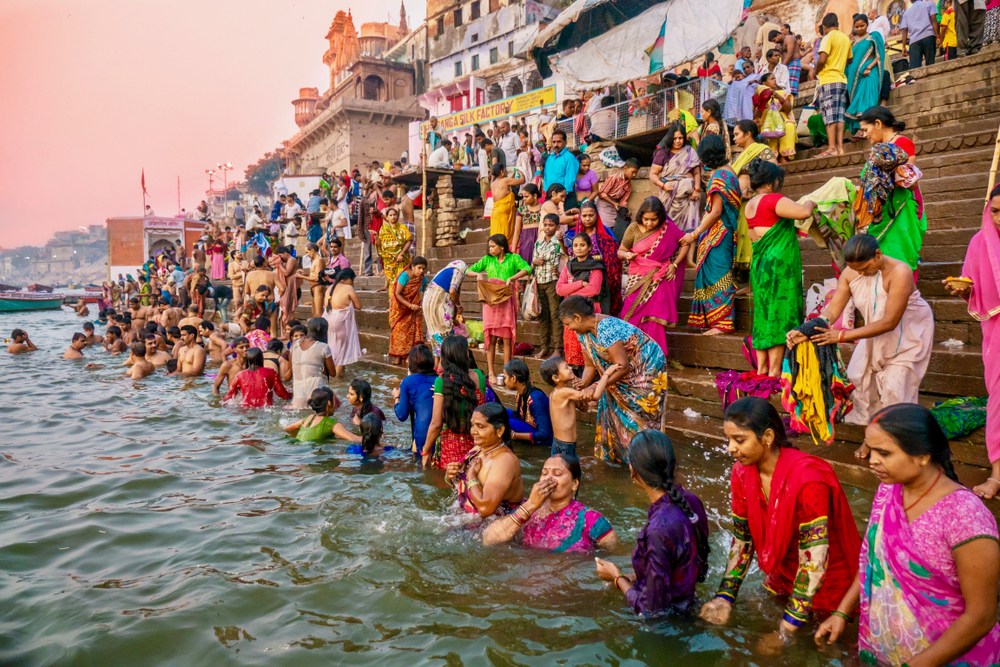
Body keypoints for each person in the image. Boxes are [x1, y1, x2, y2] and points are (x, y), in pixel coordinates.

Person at [814, 404, 1000, 665]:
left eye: (884, 452)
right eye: (871, 450)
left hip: (950, 656)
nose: (872, 460)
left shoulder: (965, 515)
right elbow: (872, 560)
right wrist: (841, 613)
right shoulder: (888, 491)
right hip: (886, 648)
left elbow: (981, 616)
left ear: (922, 456)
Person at [699, 397, 861, 652]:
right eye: (728, 439)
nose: (730, 448)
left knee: (821, 648)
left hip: (828, 583)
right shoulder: (741, 472)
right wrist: (724, 596)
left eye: (739, 440)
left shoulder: (809, 480)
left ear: (767, 437)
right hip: (782, 576)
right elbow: (742, 540)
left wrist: (784, 632)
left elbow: (814, 560)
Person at [791, 234, 934, 447]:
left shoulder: (900, 272)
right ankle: (872, 437)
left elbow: (890, 322)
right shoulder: (851, 273)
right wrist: (806, 330)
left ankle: (894, 445)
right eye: (856, 269)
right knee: (861, 382)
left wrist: (841, 336)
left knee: (896, 388)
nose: (861, 273)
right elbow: (832, 311)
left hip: (909, 334)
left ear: (878, 254)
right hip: (872, 333)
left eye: (864, 268)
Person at [595, 431, 709, 615]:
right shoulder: (692, 501)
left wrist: (617, 577)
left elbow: (651, 609)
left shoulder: (658, 528)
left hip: (670, 622)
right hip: (690, 602)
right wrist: (636, 578)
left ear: (633, 471)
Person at [559, 297, 668, 463]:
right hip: (617, 372)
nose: (568, 328)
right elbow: (590, 365)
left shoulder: (606, 328)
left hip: (645, 368)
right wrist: (583, 385)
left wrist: (596, 386)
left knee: (640, 417)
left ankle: (645, 460)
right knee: (612, 409)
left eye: (568, 324)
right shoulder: (583, 333)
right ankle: (619, 456)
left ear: (578, 318)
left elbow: (622, 365)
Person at [946, 186, 1000, 497]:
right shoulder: (979, 242)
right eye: (994, 211)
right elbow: (972, 285)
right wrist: (963, 290)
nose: (998, 218)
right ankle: (997, 474)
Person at [743, 160, 814, 377]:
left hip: (761, 265)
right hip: (778, 267)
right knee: (779, 314)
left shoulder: (749, 205)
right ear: (774, 182)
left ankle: (762, 367)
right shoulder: (773, 199)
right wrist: (811, 202)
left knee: (763, 315)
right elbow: (803, 213)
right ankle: (774, 371)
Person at [483, 453, 618, 551]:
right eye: (544, 473)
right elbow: (489, 540)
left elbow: (613, 555)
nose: (549, 479)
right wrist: (530, 506)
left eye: (557, 474)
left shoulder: (591, 520)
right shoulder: (527, 509)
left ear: (574, 484)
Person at [681, 134, 741, 336]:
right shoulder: (730, 172)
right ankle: (715, 319)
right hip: (724, 233)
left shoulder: (719, 177)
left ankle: (723, 323)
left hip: (719, 233)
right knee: (716, 274)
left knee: (719, 275)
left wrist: (695, 234)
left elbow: (715, 211)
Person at [857, 107, 927, 272]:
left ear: (878, 124)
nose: (864, 135)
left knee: (899, 254)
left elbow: (909, 179)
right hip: (882, 208)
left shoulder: (902, 143)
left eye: (865, 130)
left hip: (900, 207)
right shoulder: (881, 148)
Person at [618, 196, 688, 357]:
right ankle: (631, 354)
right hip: (636, 277)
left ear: (661, 218)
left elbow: (685, 242)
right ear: (641, 215)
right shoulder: (633, 228)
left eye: (653, 220)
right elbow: (620, 251)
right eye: (646, 219)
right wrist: (627, 255)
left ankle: (654, 357)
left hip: (659, 280)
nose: (649, 223)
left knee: (654, 320)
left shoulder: (667, 228)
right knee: (630, 312)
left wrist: (674, 264)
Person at [467, 234, 532, 385]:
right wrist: (478, 274)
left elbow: (527, 268)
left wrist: (512, 278)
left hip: (506, 301)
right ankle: (491, 372)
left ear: (501, 246)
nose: (490, 249)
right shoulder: (487, 260)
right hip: (490, 303)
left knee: (507, 338)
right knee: (491, 340)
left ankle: (506, 372)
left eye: (493, 246)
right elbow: (468, 270)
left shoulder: (513, 258)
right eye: (489, 247)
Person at [445, 403, 524, 518]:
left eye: (480, 426)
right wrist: (449, 476)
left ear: (500, 430)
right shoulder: (478, 449)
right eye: (473, 425)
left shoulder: (505, 461)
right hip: (467, 519)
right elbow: (461, 488)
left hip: (495, 527)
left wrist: (471, 475)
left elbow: (485, 509)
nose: (473, 431)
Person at [422, 335, 487, 468]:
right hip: (478, 446)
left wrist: (426, 450)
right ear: (465, 355)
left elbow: (436, 424)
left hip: (451, 449)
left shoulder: (441, 382)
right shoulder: (479, 376)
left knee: (449, 484)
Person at [540, 355, 617, 457]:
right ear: (556, 378)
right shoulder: (562, 392)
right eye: (566, 367)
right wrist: (606, 374)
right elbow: (596, 396)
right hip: (564, 446)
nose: (571, 368)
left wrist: (581, 389)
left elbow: (584, 408)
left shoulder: (565, 392)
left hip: (565, 444)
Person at [563, 201, 623, 317]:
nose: (587, 219)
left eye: (591, 215)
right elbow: (570, 256)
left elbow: (614, 258)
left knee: (600, 313)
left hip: (600, 279)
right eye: (584, 216)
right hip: (579, 279)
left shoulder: (606, 234)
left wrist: (599, 261)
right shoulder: (574, 235)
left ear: (597, 215)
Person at [558, 233, 607, 369]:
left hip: (589, 312)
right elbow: (559, 289)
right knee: (573, 354)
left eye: (582, 245)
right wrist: (580, 283)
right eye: (575, 245)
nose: (578, 248)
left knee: (590, 353)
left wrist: (570, 292)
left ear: (589, 247)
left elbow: (594, 290)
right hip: (571, 314)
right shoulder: (568, 266)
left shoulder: (595, 267)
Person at [648, 122, 701, 233]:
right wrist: (663, 185)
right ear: (670, 138)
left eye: (680, 138)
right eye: (675, 138)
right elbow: (652, 174)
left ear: (684, 138)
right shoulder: (662, 153)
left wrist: (696, 189)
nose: (677, 141)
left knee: (687, 232)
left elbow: (696, 172)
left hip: (687, 199)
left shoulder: (689, 152)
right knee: (666, 228)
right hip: (668, 196)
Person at [815, 13, 852, 157]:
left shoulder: (828, 37)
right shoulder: (845, 38)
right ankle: (840, 148)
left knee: (830, 115)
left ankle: (831, 148)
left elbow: (822, 59)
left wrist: (815, 70)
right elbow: (849, 60)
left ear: (824, 27)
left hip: (828, 79)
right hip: (842, 80)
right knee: (840, 115)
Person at [392, 344, 438, 459]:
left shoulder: (408, 382)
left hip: (422, 434)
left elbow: (402, 415)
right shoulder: (439, 380)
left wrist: (396, 397)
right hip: (441, 435)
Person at [845, 14, 887, 137]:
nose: (859, 29)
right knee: (857, 101)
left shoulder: (873, 37)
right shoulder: (852, 43)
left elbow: (880, 55)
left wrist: (869, 66)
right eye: (856, 26)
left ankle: (865, 130)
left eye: (862, 26)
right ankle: (860, 128)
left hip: (870, 73)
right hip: (855, 79)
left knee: (867, 100)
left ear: (867, 24)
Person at [502, 359, 553, 452]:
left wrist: (515, 435)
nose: (504, 381)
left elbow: (545, 433)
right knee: (501, 412)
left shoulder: (535, 398)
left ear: (513, 378)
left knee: (505, 420)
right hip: (529, 426)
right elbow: (519, 415)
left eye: (505, 377)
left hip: (545, 439)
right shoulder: (520, 393)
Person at [532, 214, 564, 358]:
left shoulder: (559, 243)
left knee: (555, 314)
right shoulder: (539, 242)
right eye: (545, 225)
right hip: (539, 282)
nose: (547, 228)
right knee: (542, 315)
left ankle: (557, 348)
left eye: (551, 225)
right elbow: (533, 260)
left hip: (553, 281)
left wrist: (560, 271)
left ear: (557, 227)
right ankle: (544, 346)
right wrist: (535, 262)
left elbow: (566, 257)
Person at [422, 260, 467, 358]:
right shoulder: (459, 271)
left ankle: (438, 365)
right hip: (439, 303)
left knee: (436, 335)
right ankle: (444, 366)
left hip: (428, 302)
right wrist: (459, 306)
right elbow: (452, 292)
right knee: (445, 336)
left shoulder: (445, 271)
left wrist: (454, 318)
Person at [388, 256, 428, 365]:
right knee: (399, 331)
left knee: (414, 333)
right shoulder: (404, 276)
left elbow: (425, 292)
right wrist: (409, 305)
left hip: (415, 309)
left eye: (423, 269)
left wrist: (422, 306)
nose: (421, 271)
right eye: (419, 268)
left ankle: (410, 356)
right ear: (413, 267)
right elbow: (397, 293)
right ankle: (398, 356)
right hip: (401, 309)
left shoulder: (423, 279)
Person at [289, 317, 336, 409]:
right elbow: (333, 373)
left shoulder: (294, 345)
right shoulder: (324, 347)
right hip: (317, 393)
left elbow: (292, 368)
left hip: (298, 394)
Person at [323, 268, 363, 376]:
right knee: (343, 352)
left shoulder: (330, 288)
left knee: (333, 348)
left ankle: (339, 375)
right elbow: (359, 306)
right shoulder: (348, 288)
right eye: (352, 280)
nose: (353, 283)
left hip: (328, 320)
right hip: (340, 321)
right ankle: (336, 381)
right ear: (346, 279)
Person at [285, 387, 360, 443]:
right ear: (329, 404)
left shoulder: (308, 419)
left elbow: (287, 429)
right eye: (334, 401)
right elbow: (354, 439)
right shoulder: (331, 423)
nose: (336, 404)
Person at [224, 347, 291, 408]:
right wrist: (292, 396)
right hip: (266, 409)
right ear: (262, 359)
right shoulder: (271, 372)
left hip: (246, 410)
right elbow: (282, 394)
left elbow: (229, 397)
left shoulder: (240, 375)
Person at [754, 72, 797, 162]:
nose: (774, 80)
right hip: (766, 123)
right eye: (771, 79)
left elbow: (788, 109)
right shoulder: (758, 96)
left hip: (783, 120)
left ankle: (785, 156)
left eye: (775, 79)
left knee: (788, 126)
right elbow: (756, 116)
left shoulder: (782, 93)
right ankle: (774, 158)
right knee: (768, 130)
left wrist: (778, 96)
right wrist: (763, 101)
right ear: (764, 83)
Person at [596, 159, 639, 240]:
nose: (634, 175)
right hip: (604, 203)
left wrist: (627, 209)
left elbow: (623, 201)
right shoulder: (614, 178)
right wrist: (613, 203)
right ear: (625, 168)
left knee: (618, 222)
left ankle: (615, 243)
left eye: (636, 173)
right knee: (605, 225)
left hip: (614, 205)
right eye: (632, 172)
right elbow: (602, 194)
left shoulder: (628, 185)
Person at [377, 207, 412, 293]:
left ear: (397, 216)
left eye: (395, 215)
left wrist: (402, 253)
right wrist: (376, 240)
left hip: (401, 260)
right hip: (388, 261)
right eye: (391, 215)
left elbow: (409, 241)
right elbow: (380, 244)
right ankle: (393, 305)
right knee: (392, 283)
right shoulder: (383, 229)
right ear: (387, 217)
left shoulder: (403, 227)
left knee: (401, 280)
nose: (393, 217)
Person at [542, 130, 580, 209]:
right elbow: (546, 176)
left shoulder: (570, 158)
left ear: (565, 142)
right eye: (554, 142)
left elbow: (570, 180)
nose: (556, 144)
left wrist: (562, 197)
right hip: (551, 197)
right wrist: (547, 193)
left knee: (566, 220)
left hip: (566, 197)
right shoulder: (550, 158)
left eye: (559, 141)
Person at [489, 164, 525, 245]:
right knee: (504, 237)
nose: (506, 172)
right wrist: (519, 172)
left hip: (495, 213)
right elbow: (522, 180)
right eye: (505, 170)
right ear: (501, 172)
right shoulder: (505, 181)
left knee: (496, 236)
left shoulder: (493, 184)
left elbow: (509, 180)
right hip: (504, 213)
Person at [901, 0, 941, 67]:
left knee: (915, 68)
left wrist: (903, 46)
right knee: (930, 64)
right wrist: (938, 36)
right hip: (928, 36)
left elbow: (904, 29)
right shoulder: (929, 4)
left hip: (914, 41)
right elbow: (934, 20)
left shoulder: (906, 13)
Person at [270, 246, 300, 332]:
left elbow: (286, 273)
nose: (280, 258)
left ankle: (289, 332)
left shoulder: (291, 260)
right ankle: (286, 332)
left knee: (288, 313)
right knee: (285, 312)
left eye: (280, 255)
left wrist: (279, 264)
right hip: (288, 289)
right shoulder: (287, 261)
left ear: (285, 253)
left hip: (292, 289)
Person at [512, 183, 542, 263]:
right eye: (523, 197)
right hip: (526, 241)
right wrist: (513, 249)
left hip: (540, 239)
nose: (524, 199)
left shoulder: (543, 208)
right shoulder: (521, 210)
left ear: (535, 196)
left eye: (526, 196)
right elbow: (517, 231)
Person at [297, 243, 326, 319]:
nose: (307, 255)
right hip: (313, 288)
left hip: (318, 287)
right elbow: (313, 274)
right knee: (314, 313)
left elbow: (317, 278)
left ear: (312, 251)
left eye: (307, 252)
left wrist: (301, 276)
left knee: (318, 314)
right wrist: (304, 274)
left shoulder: (319, 260)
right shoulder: (314, 260)